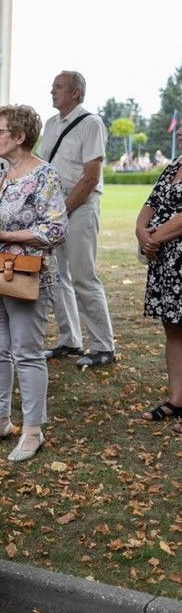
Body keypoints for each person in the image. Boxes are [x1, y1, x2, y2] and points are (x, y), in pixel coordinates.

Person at [0, 105, 67, 462]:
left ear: (19, 136)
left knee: (27, 352)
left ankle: (32, 429)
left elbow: (55, 229)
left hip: (28, 273)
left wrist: (3, 235)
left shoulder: (45, 175)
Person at [38, 71, 116, 368]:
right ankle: (70, 339)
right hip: (56, 206)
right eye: (53, 86)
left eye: (58, 87)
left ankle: (103, 345)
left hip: (81, 204)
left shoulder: (91, 124)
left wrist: (62, 210)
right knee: (58, 277)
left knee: (83, 276)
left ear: (76, 93)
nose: (52, 91)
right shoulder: (50, 124)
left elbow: (90, 177)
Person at [136, 143, 182, 433]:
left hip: (172, 252)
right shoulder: (175, 164)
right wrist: (141, 232)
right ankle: (177, 400)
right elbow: (150, 203)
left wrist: (153, 239)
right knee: (173, 328)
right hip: (166, 261)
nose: (181, 132)